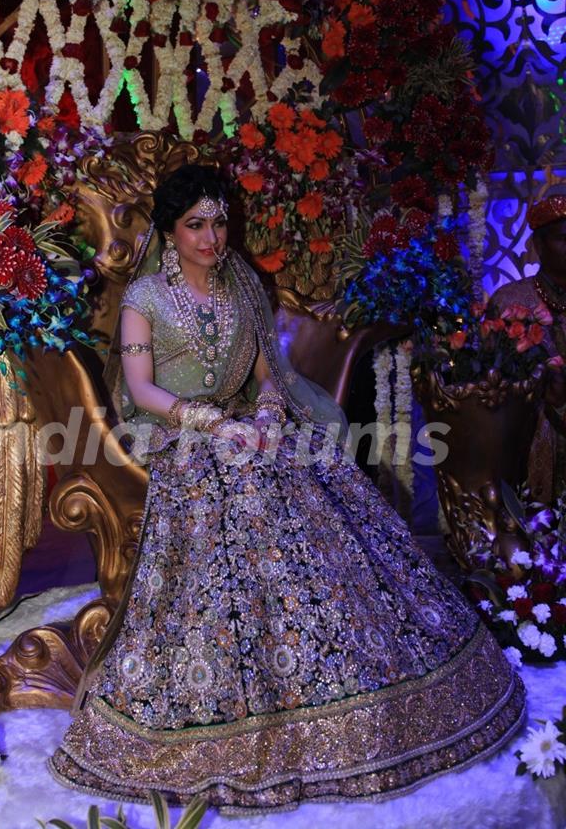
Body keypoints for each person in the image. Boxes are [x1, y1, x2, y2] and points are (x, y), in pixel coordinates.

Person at [50, 165, 524, 813]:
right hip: (177, 430)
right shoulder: (144, 303)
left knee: (312, 471)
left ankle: (350, 664)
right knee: (242, 481)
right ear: (169, 232)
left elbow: (270, 373)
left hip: (247, 420)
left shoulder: (242, 283)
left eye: (219, 222)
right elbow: (143, 392)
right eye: (196, 225)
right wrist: (213, 423)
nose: (212, 237)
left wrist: (269, 411)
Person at [490, 194, 566, 502]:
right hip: (529, 440)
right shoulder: (509, 302)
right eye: (563, 238)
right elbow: (490, 380)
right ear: (539, 244)